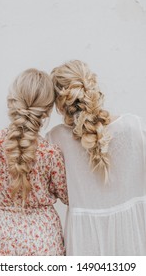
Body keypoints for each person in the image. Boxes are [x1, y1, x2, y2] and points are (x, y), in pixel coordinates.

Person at [46, 60, 146, 255]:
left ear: (59, 104)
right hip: (134, 236)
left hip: (85, 242)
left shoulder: (55, 139)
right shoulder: (134, 127)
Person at [0, 68, 68, 256]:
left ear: (12, 100)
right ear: (47, 110)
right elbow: (67, 196)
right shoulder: (50, 153)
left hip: (4, 239)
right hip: (44, 241)